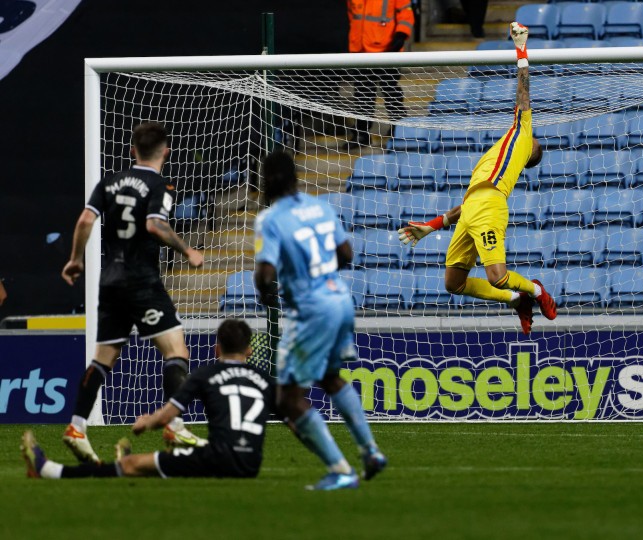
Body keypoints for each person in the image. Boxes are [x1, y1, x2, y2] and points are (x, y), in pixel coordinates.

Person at [60, 122, 207, 464]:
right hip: (141, 280)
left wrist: (75, 260)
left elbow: (84, 220)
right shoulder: (160, 184)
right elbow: (154, 225)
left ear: (132, 150)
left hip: (110, 280)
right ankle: (174, 426)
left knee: (102, 360)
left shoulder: (110, 181)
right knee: (176, 351)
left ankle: (77, 427)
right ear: (166, 151)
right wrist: (188, 251)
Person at [397, 22, 556, 335]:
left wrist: (521, 47)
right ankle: (515, 299)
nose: (537, 137)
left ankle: (536, 291)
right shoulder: (497, 153)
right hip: (472, 207)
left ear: (530, 155)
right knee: (453, 284)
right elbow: (464, 206)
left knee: (496, 274)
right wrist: (429, 227)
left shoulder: (523, 136)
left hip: (490, 207)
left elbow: (523, 93)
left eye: (537, 143)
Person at [253, 151, 386, 491]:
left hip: (312, 309)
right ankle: (370, 451)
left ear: (266, 180)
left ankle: (341, 470)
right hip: (340, 299)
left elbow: (266, 273)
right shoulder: (321, 206)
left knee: (286, 400)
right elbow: (346, 254)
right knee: (330, 377)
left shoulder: (270, 219)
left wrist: (266, 294)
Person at [22, 319, 273, 480]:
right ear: (249, 350)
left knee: (131, 465)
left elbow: (169, 413)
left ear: (217, 349)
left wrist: (146, 422)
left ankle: (48, 470)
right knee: (178, 464)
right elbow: (297, 419)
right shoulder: (266, 381)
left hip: (216, 459)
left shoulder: (205, 375)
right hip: (250, 464)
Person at [345, 0, 414, 147]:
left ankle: (399, 129)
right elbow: (352, 15)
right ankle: (362, 134)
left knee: (391, 93)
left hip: (387, 49)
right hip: (361, 50)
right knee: (362, 95)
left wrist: (400, 36)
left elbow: (406, 13)